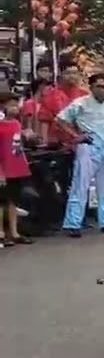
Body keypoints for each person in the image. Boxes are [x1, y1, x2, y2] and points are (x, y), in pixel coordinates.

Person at [57, 73, 104, 236]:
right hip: (88, 147)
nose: (103, 90)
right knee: (80, 186)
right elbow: (60, 119)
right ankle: (73, 223)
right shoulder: (81, 104)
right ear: (92, 87)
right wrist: (75, 136)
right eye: (99, 86)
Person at [0, 93, 36, 246]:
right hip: (3, 168)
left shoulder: (16, 123)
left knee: (13, 201)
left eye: (16, 105)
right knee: (1, 202)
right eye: (11, 105)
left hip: (16, 167)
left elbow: (16, 144)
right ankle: (1, 233)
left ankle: (14, 233)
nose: (15, 108)